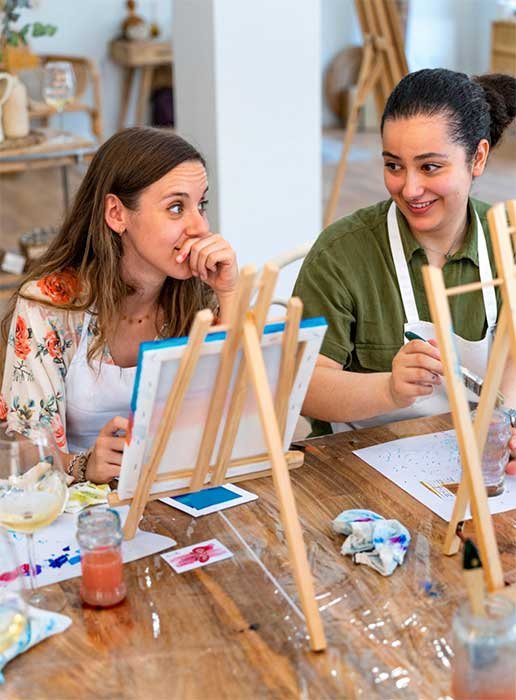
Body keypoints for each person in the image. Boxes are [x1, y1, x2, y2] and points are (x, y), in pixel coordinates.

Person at [294, 68, 516, 471]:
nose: (409, 189)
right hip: (353, 471)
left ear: (477, 158)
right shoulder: (342, 253)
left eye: (430, 167)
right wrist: (390, 388)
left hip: (477, 467)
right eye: (394, 166)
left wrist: (509, 423)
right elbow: (302, 388)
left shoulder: (508, 242)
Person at [0, 127, 238, 484]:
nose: (200, 226)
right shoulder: (48, 307)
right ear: (116, 213)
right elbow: (23, 448)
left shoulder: (200, 295)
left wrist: (230, 294)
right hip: (76, 508)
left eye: (200, 204)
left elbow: (240, 414)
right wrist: (85, 465)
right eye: (176, 208)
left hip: (176, 493)